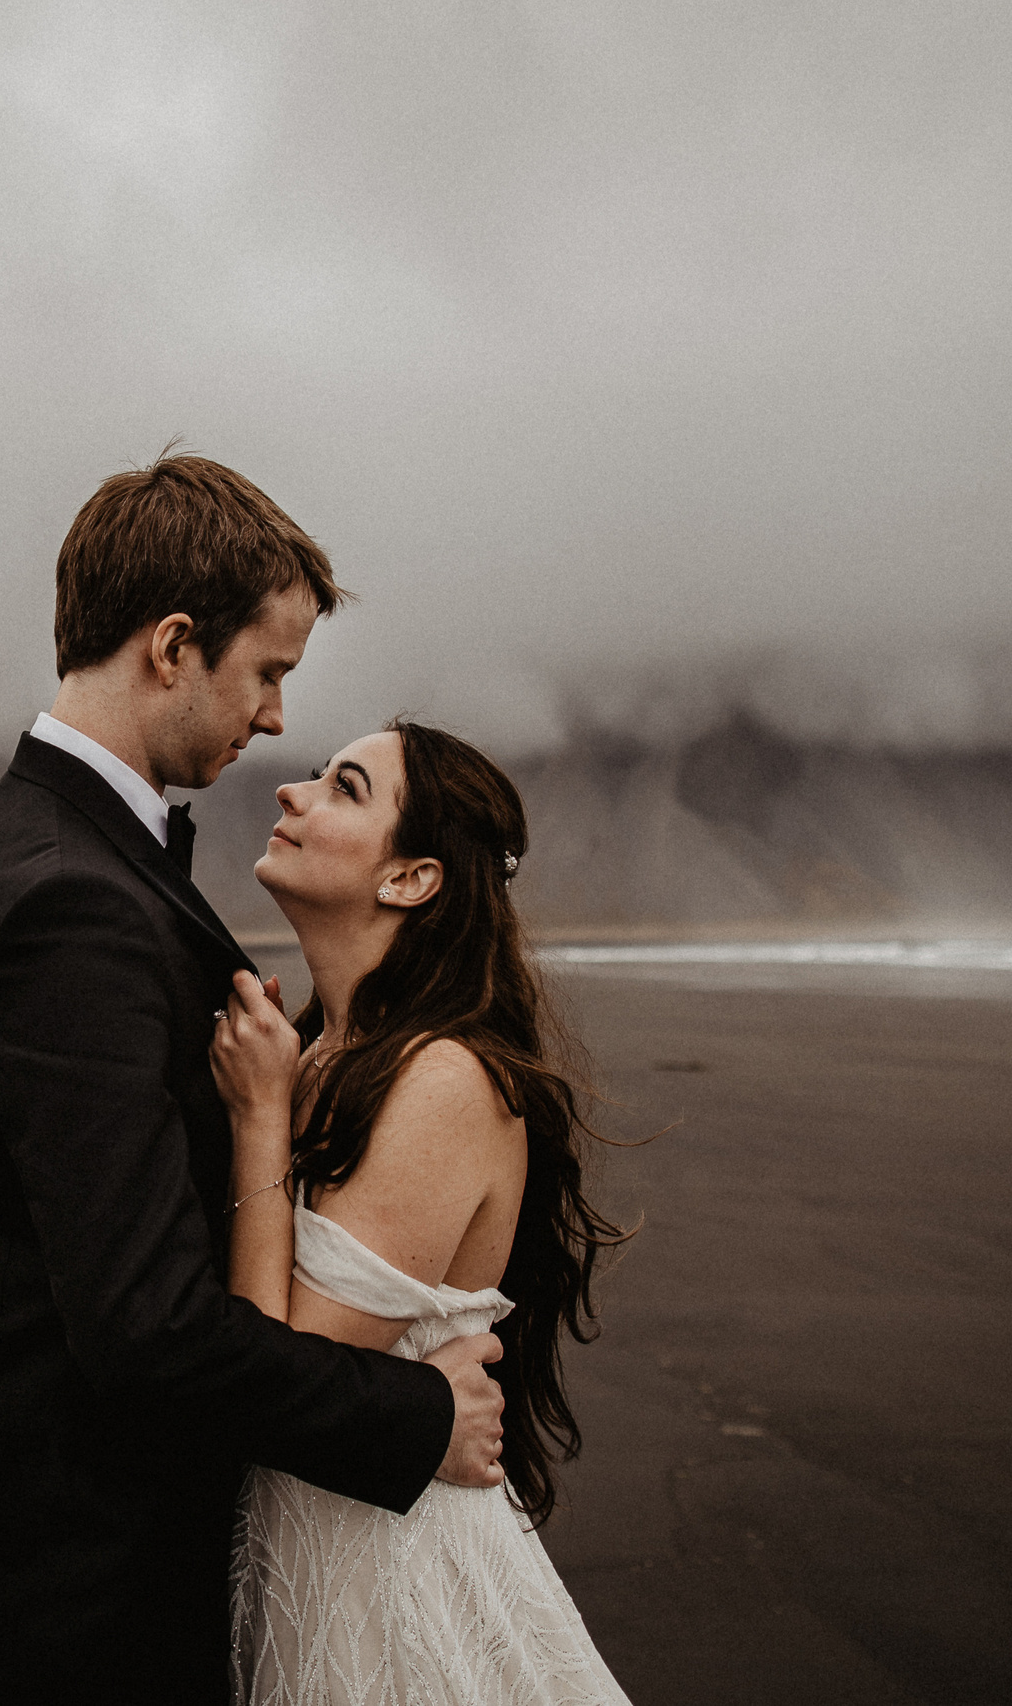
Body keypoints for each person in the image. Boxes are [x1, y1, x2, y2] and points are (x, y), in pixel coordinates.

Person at [0, 455, 511, 1704]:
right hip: (77, 1568)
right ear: (173, 646)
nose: (276, 719)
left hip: (60, 1530)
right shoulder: (73, 900)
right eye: (267, 672)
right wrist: (414, 1417)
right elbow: (145, 1329)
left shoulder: (69, 851)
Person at [211, 718, 634, 1704]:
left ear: (410, 878)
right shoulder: (319, 1052)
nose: (291, 792)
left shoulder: (442, 1079)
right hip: (308, 1553)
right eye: (317, 775)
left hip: (390, 1577)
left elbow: (280, 1369)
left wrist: (260, 1120)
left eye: (344, 787)